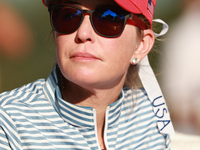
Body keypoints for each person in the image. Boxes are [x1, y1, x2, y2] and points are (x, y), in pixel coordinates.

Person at [0, 0, 174, 149]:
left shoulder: (153, 118)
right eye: (67, 16)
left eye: (108, 18)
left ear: (141, 45)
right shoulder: (9, 122)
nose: (83, 34)